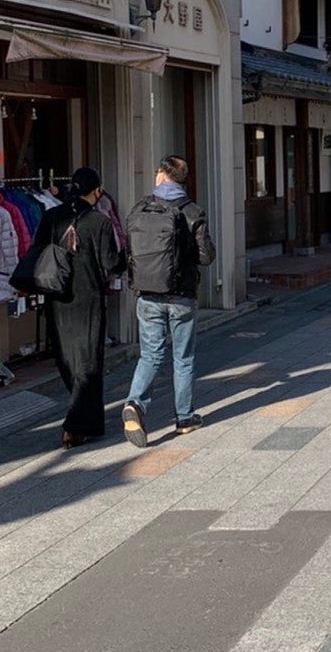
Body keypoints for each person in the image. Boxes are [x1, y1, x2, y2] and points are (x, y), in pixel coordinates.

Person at [122, 155, 216, 447]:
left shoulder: (141, 208)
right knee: (183, 358)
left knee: (150, 355)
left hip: (147, 294)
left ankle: (135, 403)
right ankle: (184, 418)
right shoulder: (193, 211)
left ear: (162, 174)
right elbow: (206, 257)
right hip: (182, 297)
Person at [31, 166, 122, 449]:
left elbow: (37, 253)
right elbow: (110, 263)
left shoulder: (51, 217)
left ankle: (85, 421)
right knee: (89, 363)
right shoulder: (100, 222)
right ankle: (76, 425)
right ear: (97, 191)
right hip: (89, 300)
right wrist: (124, 261)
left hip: (57, 298)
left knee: (67, 361)